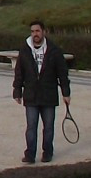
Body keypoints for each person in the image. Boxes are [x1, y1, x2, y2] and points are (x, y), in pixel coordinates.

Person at [11, 21, 71, 163]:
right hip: (31, 95)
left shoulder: (54, 50)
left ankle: (47, 152)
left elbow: (62, 74)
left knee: (48, 127)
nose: (34, 34)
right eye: (32, 31)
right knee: (31, 127)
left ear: (44, 32)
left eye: (37, 31)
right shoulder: (25, 50)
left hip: (49, 95)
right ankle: (30, 154)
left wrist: (66, 93)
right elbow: (19, 72)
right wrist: (17, 91)